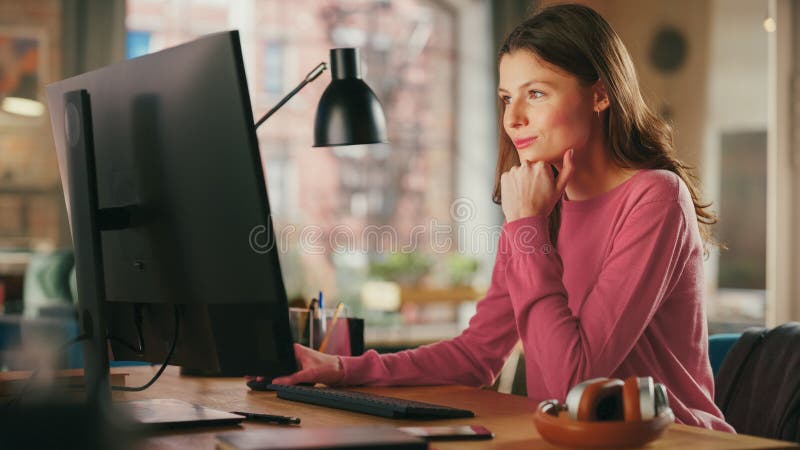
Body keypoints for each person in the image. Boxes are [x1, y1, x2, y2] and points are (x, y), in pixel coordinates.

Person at [252, 3, 733, 432]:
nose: (514, 117)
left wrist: (526, 228)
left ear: (600, 95)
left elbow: (575, 381)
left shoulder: (654, 198)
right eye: (507, 98)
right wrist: (341, 368)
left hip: (673, 442)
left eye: (537, 93)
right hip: (567, 441)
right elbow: (476, 355)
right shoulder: (539, 202)